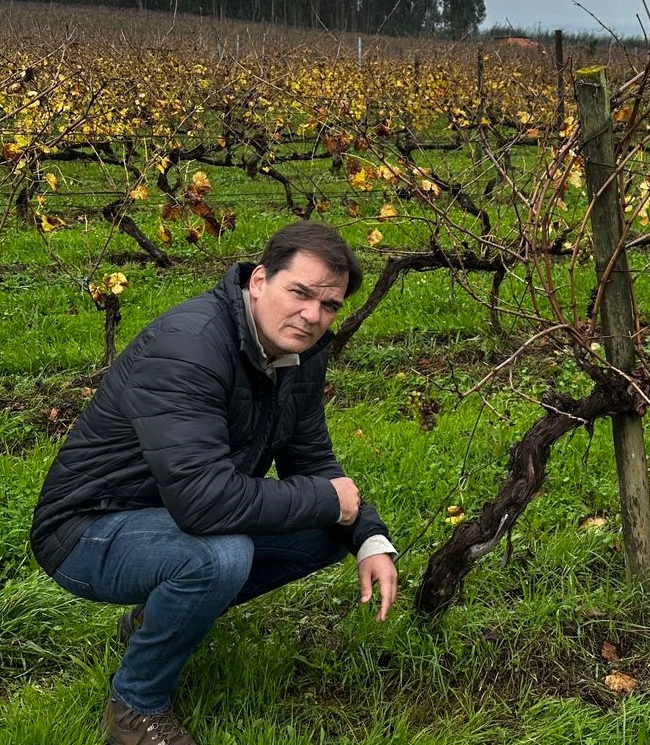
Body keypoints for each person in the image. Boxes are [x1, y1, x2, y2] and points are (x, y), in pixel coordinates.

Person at [30, 221, 398, 745]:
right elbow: (205, 503)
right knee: (217, 556)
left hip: (172, 515)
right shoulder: (190, 347)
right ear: (258, 281)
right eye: (299, 292)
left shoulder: (303, 352)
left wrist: (366, 536)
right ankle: (136, 708)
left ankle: (157, 617)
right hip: (87, 531)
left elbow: (310, 457)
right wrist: (325, 499)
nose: (313, 315)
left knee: (326, 532)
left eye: (330, 305)